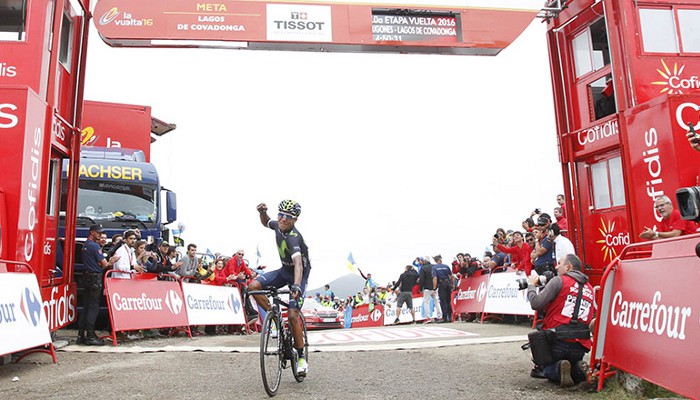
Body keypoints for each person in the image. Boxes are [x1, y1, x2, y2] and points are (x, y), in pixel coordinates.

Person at [249, 200, 311, 376]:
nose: (282, 219)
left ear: (295, 220)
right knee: (253, 286)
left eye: (288, 217)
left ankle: (300, 357)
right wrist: (262, 212)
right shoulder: (278, 225)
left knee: (292, 316)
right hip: (284, 271)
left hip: (298, 275)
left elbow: (298, 264)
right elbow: (266, 221)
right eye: (280, 215)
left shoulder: (294, 237)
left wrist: (297, 286)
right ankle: (275, 320)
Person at [527, 254, 594, 387]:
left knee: (545, 369)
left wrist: (531, 286)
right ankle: (579, 369)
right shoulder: (590, 288)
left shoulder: (559, 281)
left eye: (559, 263)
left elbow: (536, 303)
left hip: (557, 341)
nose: (556, 267)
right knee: (574, 369)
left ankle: (558, 368)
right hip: (580, 346)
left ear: (568, 266)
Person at [77, 224, 119, 346]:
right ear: (92, 233)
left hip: (86, 276)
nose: (100, 235)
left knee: (86, 306)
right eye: (98, 233)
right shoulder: (95, 246)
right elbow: (105, 264)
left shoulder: (86, 245)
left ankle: (82, 334)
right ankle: (90, 335)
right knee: (93, 307)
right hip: (94, 277)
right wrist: (111, 261)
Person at [431, 255, 454, 323]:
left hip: (441, 284)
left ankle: (445, 317)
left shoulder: (434, 268)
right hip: (448, 283)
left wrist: (434, 288)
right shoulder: (446, 266)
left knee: (443, 301)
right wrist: (452, 285)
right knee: (448, 300)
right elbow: (451, 276)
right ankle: (450, 316)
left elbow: (435, 278)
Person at [418, 257, 441, 323]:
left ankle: (428, 317)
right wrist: (436, 286)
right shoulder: (434, 266)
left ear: (424, 261)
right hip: (435, 287)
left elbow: (421, 279)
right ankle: (439, 315)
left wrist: (420, 288)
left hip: (427, 287)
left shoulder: (423, 268)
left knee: (426, 302)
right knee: (436, 301)